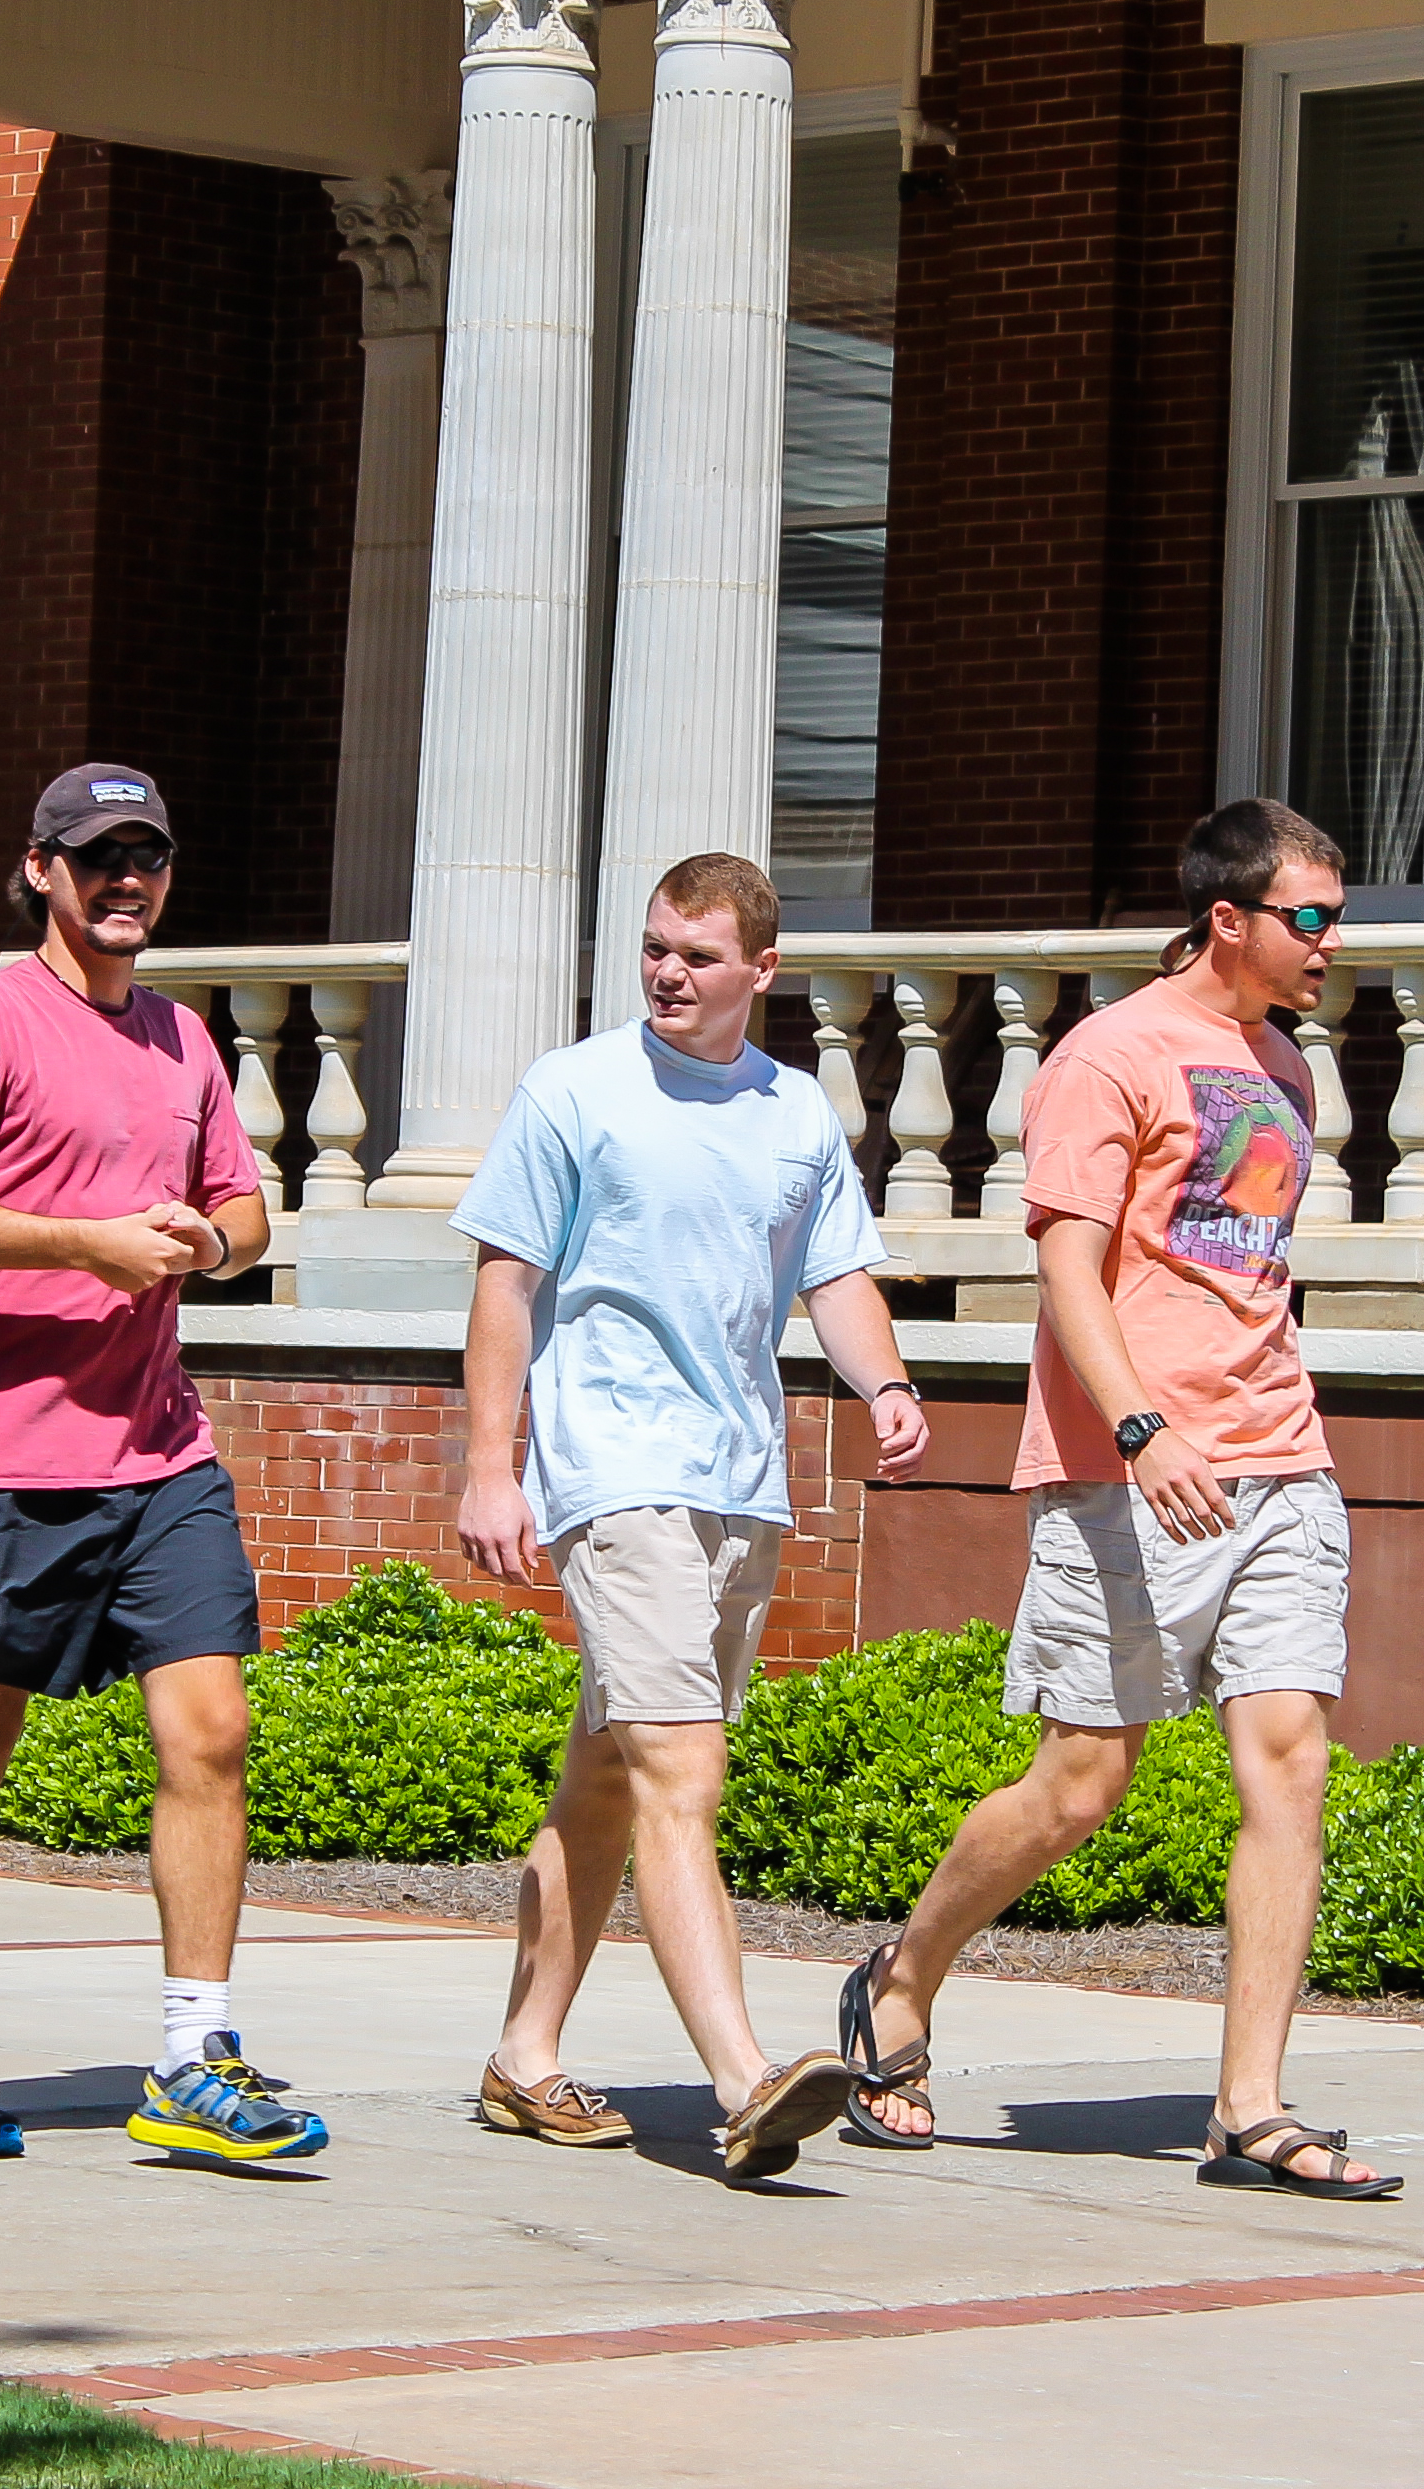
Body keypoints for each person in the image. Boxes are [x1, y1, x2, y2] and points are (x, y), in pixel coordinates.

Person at [833, 798, 1403, 2202]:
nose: (1332, 943)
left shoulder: (1285, 1064)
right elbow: (1069, 1269)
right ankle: (902, 1975)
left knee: (1291, 1759)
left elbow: (1245, 1268)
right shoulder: (1109, 1055)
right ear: (1229, 917)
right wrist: (1144, 1427)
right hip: (1125, 1468)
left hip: (1278, 1455)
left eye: (1336, 919)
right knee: (1081, 1783)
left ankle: (1248, 2107)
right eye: (1311, 918)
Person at [0, 763, 322, 2166]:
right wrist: (82, 1243)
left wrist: (214, 1242)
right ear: (41, 872)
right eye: (99, 856)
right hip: (1, 1457)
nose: (128, 879)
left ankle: (193, 2053)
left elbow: (245, 1202)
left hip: (160, 1453)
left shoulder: (184, 1039)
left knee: (213, 1733)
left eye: (148, 856)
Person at [456, 854, 928, 2181]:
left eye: (698, 955)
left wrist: (888, 1385)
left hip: (739, 1478)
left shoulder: (793, 1110)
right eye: (657, 947)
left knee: (611, 1770)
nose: (668, 972)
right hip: (615, 1467)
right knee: (682, 1771)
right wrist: (493, 1467)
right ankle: (745, 2078)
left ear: (761, 971)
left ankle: (524, 2056)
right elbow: (505, 1287)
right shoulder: (574, 1090)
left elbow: (836, 1275)